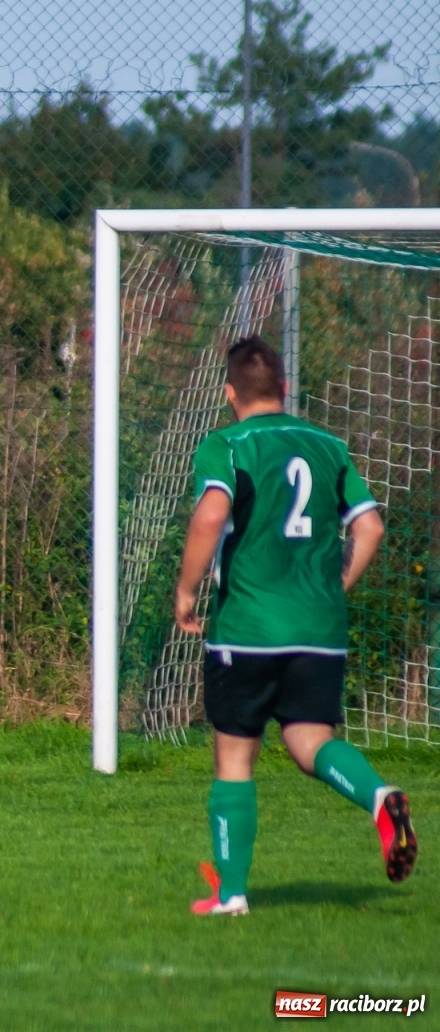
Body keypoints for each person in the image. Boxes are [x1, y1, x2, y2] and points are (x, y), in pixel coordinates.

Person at [175, 336, 417, 916]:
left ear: (229, 393)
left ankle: (232, 895)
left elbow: (211, 513)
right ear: (284, 388)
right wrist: (332, 590)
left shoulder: (227, 444)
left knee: (235, 758)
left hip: (248, 628)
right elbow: (371, 528)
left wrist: (185, 591)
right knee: (310, 740)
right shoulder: (328, 446)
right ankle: (379, 797)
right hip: (319, 629)